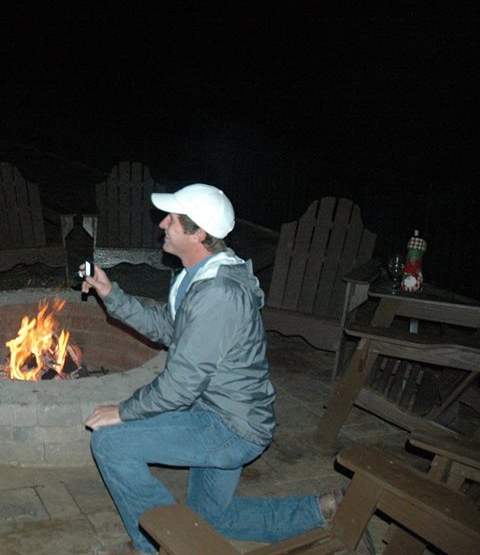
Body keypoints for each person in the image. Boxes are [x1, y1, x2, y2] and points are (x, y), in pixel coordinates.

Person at [81, 184, 343, 555]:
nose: (163, 225)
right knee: (210, 519)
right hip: (217, 412)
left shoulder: (219, 293)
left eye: (172, 220)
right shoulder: (198, 276)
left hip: (230, 425)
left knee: (111, 442)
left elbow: (180, 386)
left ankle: (152, 546)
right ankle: (319, 512)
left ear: (199, 234)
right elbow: (167, 330)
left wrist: (123, 412)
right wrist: (112, 296)